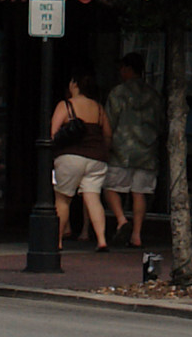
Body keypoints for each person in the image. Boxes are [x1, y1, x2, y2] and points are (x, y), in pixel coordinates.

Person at [49, 71, 113, 251]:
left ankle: (58, 240)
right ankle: (101, 240)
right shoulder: (99, 108)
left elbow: (53, 133)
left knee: (63, 199)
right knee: (93, 198)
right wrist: (104, 152)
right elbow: (107, 135)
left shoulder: (65, 105)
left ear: (75, 85)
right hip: (96, 159)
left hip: (70, 157)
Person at [104, 52, 162, 249]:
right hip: (147, 150)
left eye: (122, 68)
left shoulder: (118, 93)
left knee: (110, 187)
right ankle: (136, 235)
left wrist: (107, 143)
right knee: (140, 193)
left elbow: (109, 122)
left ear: (128, 69)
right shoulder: (153, 94)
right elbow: (161, 122)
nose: (120, 72)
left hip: (122, 149)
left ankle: (121, 220)